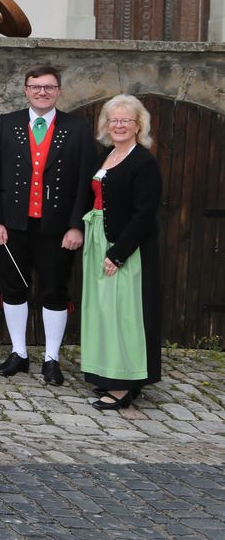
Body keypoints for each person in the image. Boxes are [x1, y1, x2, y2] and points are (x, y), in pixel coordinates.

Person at [0, 65, 96, 385]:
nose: (42, 92)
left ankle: (51, 358)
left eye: (48, 87)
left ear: (59, 90)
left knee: (55, 291)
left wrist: (77, 226)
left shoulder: (77, 128)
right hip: (13, 225)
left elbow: (86, 182)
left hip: (57, 227)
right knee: (13, 287)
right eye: (36, 86)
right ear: (26, 89)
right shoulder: (8, 123)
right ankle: (18, 352)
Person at [81, 95, 163, 411]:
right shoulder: (107, 155)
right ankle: (108, 374)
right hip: (99, 238)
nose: (118, 125)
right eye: (113, 120)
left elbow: (144, 214)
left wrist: (118, 254)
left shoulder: (144, 162)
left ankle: (125, 384)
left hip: (126, 247)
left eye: (125, 120)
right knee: (102, 312)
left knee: (123, 315)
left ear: (138, 125)